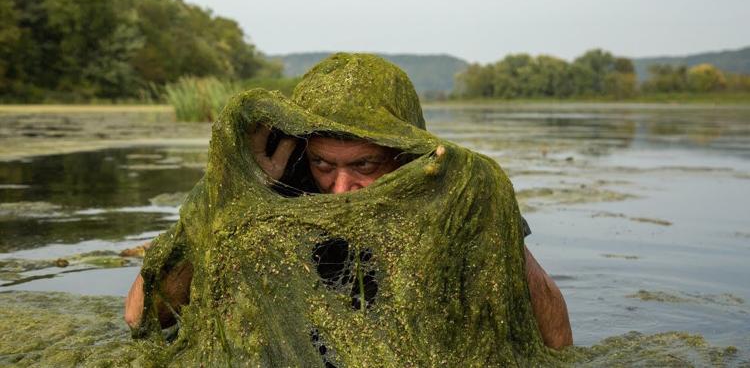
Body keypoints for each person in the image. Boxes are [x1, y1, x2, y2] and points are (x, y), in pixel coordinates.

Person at [125, 53, 572, 360]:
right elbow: (140, 316)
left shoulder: (452, 199)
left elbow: (555, 341)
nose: (341, 187)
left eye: (364, 165)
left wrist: (499, 224)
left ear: (403, 152)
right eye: (323, 164)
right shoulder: (274, 192)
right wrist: (233, 190)